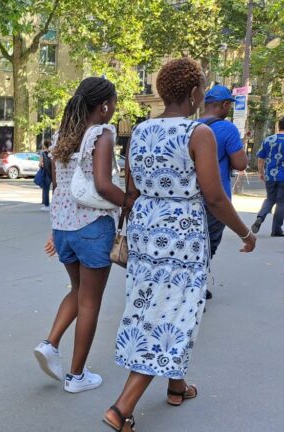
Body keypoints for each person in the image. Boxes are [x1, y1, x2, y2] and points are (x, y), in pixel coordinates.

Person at [103, 58, 255, 432]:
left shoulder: (139, 132)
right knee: (173, 316)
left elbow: (132, 189)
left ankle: (176, 386)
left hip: (145, 229)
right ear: (193, 93)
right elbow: (215, 198)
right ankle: (121, 408)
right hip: (182, 236)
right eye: (201, 87)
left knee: (153, 308)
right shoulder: (197, 134)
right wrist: (246, 233)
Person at [36, 77, 126, 394]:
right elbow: (103, 185)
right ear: (103, 106)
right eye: (113, 103)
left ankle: (50, 344)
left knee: (77, 290)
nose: (114, 109)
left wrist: (54, 229)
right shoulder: (101, 134)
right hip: (92, 226)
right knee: (90, 301)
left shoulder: (64, 136)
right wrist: (133, 202)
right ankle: (76, 376)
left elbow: (59, 187)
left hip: (63, 228)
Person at [198, 85, 248, 299]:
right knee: (209, 243)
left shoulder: (191, 126)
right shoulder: (227, 129)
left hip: (191, 196)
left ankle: (191, 285)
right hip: (216, 198)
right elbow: (240, 163)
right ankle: (196, 287)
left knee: (194, 242)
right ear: (225, 105)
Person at [251, 118, 284, 237]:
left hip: (270, 175)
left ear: (278, 126)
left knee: (270, 199)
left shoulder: (268, 139)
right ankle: (276, 230)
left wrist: (261, 173)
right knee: (281, 202)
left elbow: (260, 159)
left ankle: (260, 217)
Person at [38, 139, 53, 211]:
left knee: (46, 189)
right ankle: (55, 204)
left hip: (46, 172)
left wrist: (41, 165)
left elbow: (40, 164)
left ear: (44, 145)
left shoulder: (43, 153)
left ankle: (46, 205)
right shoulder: (53, 152)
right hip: (53, 172)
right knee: (55, 188)